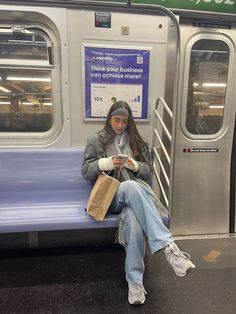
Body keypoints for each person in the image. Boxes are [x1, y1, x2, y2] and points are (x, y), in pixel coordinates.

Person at [82, 100, 195, 305]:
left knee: (133, 220)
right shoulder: (96, 140)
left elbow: (147, 170)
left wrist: (134, 165)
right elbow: (86, 171)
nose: (120, 125)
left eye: (125, 121)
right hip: (112, 197)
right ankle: (168, 246)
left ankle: (135, 283)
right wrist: (106, 163)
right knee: (132, 187)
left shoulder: (136, 140)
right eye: (116, 120)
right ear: (109, 119)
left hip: (135, 202)